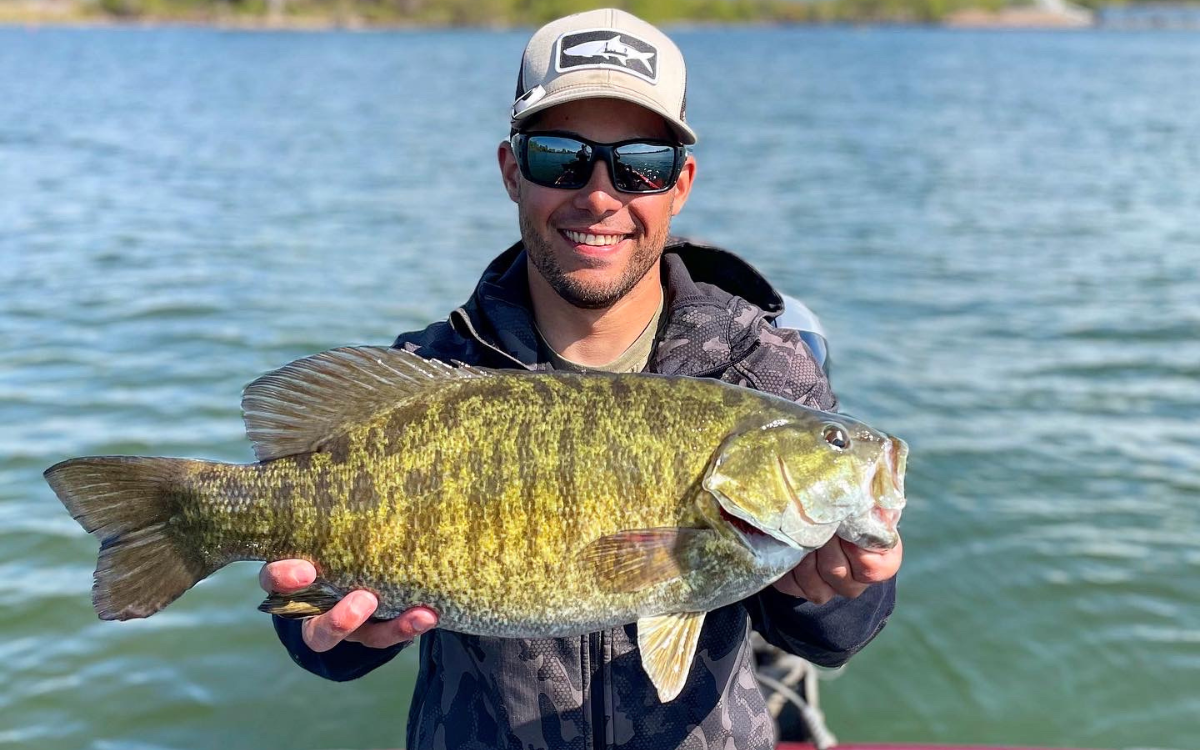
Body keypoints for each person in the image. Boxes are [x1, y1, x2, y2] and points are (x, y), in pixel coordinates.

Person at [260, 8, 903, 749]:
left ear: (681, 182)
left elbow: (835, 638)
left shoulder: (763, 372)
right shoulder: (433, 372)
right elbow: (317, 630)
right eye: (561, 157)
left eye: (641, 165)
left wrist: (842, 589)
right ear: (510, 170)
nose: (599, 195)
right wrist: (331, 633)